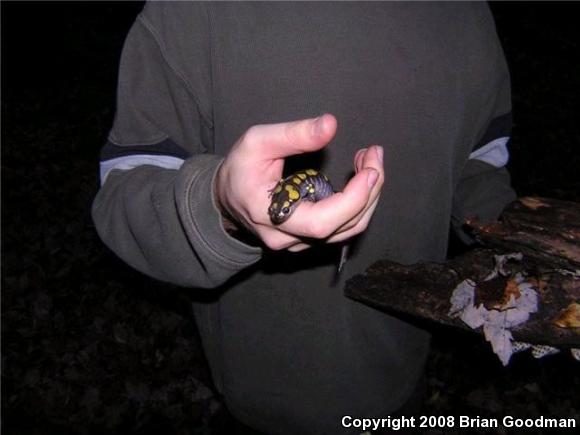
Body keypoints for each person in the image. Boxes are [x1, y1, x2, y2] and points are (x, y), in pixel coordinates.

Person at [92, 2, 515, 434]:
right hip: (265, 400)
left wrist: (517, 247)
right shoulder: (194, 14)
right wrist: (219, 202)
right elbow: (124, 192)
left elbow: (477, 163)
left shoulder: (466, 13)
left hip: (404, 369)